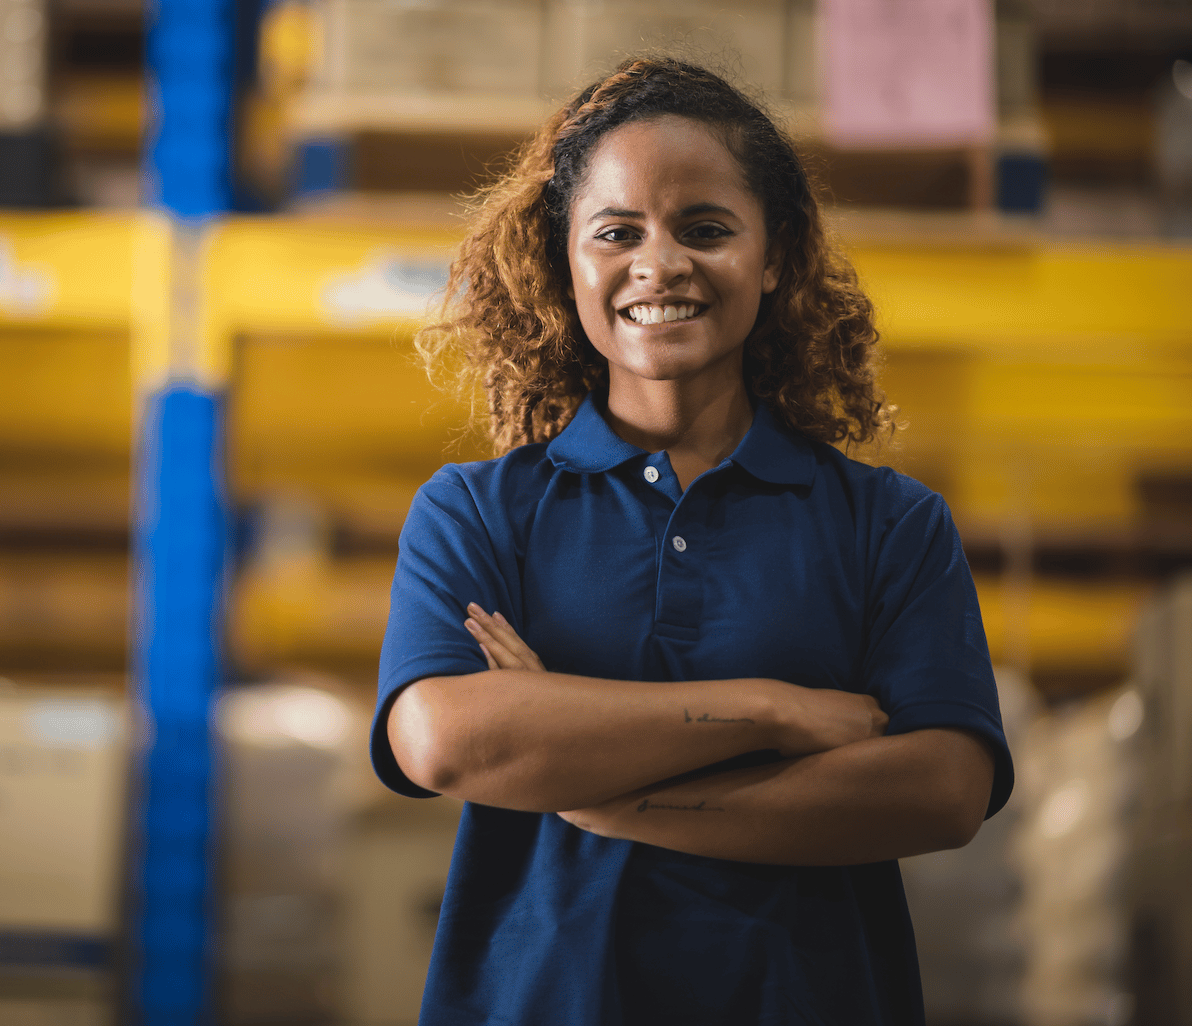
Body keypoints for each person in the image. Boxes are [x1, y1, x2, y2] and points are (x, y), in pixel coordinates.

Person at [370, 57, 1013, 1025]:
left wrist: (596, 789)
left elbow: (942, 789)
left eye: (705, 229)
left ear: (776, 256)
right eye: (615, 233)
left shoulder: (891, 526)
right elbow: (443, 737)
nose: (658, 264)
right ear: (567, 263)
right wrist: (772, 710)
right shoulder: (477, 513)